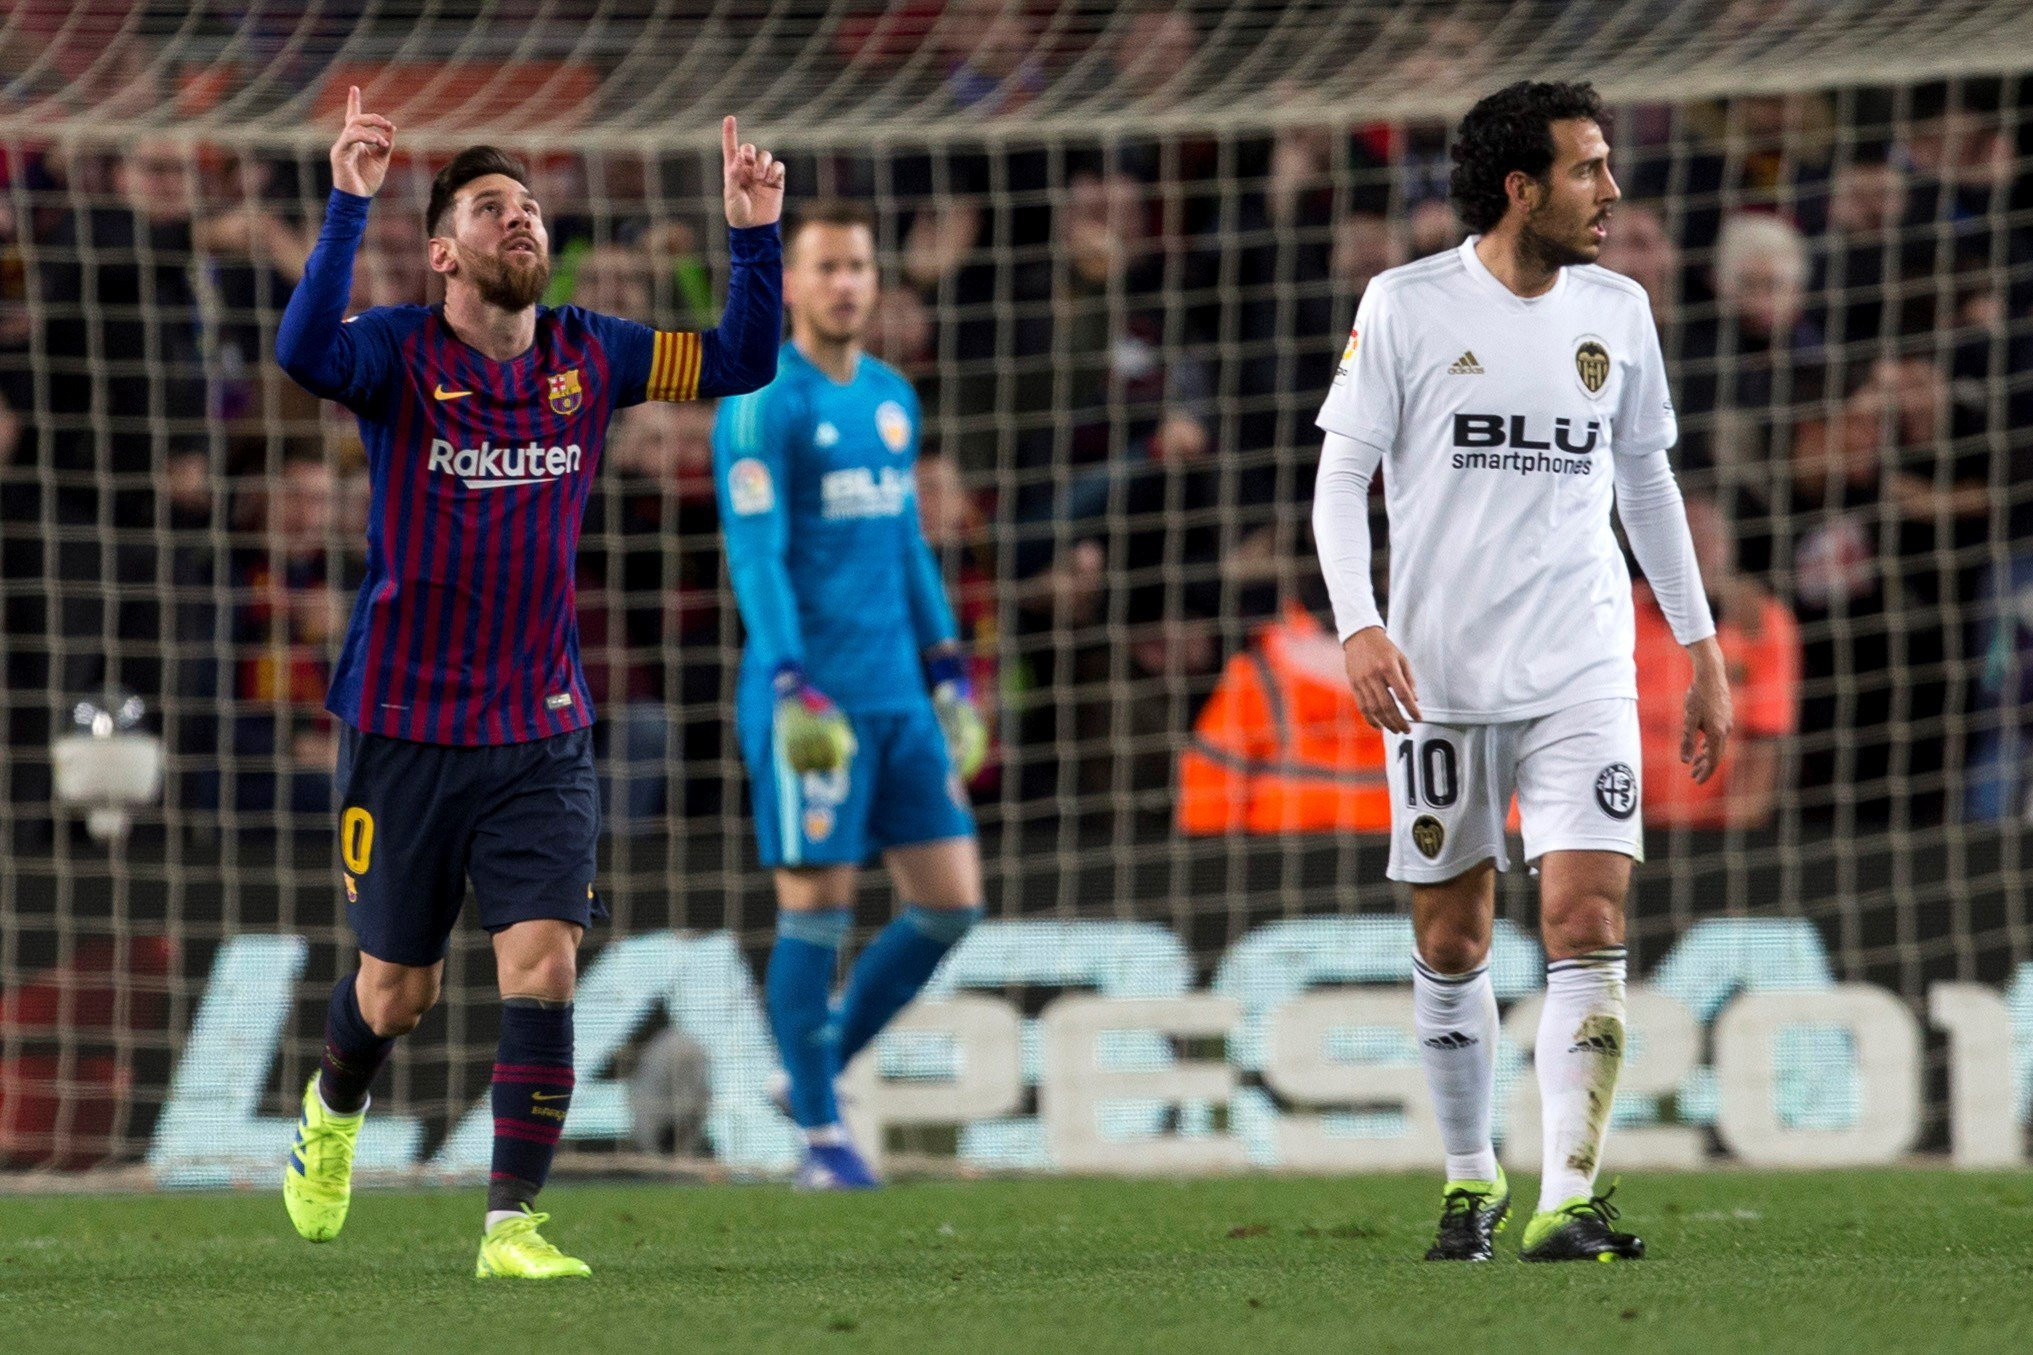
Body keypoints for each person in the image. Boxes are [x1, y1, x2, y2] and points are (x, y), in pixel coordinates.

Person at [272, 88, 783, 1277]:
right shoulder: (398, 352)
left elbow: (743, 357)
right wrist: (349, 202)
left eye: (533, 208)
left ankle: (511, 1222)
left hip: (541, 724)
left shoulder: (589, 354)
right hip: (400, 723)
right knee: (395, 992)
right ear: (442, 250)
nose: (523, 221)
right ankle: (330, 1119)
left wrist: (749, 230)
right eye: (493, 206)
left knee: (543, 957)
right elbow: (303, 352)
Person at [1312, 81, 1731, 1263]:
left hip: (1582, 666)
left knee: (1587, 910)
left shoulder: (1618, 310)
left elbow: (1644, 484)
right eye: (1587, 169)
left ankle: (1570, 1195)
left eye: (1606, 165)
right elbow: (1341, 479)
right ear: (1519, 187)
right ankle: (1466, 1178)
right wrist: (1358, 623)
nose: (1610, 190)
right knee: (1452, 935)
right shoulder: (1404, 305)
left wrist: (1696, 649)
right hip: (1436, 672)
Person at [712, 199, 988, 1190]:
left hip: (899, 700)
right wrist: (789, 678)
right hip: (812, 701)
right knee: (814, 910)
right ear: (789, 284)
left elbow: (905, 538)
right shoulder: (760, 400)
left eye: (858, 267)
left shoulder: (889, 395)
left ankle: (812, 1067)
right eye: (825, 266)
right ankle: (823, 1138)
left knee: (950, 905)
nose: (844, 283)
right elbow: (757, 552)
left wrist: (946, 660)